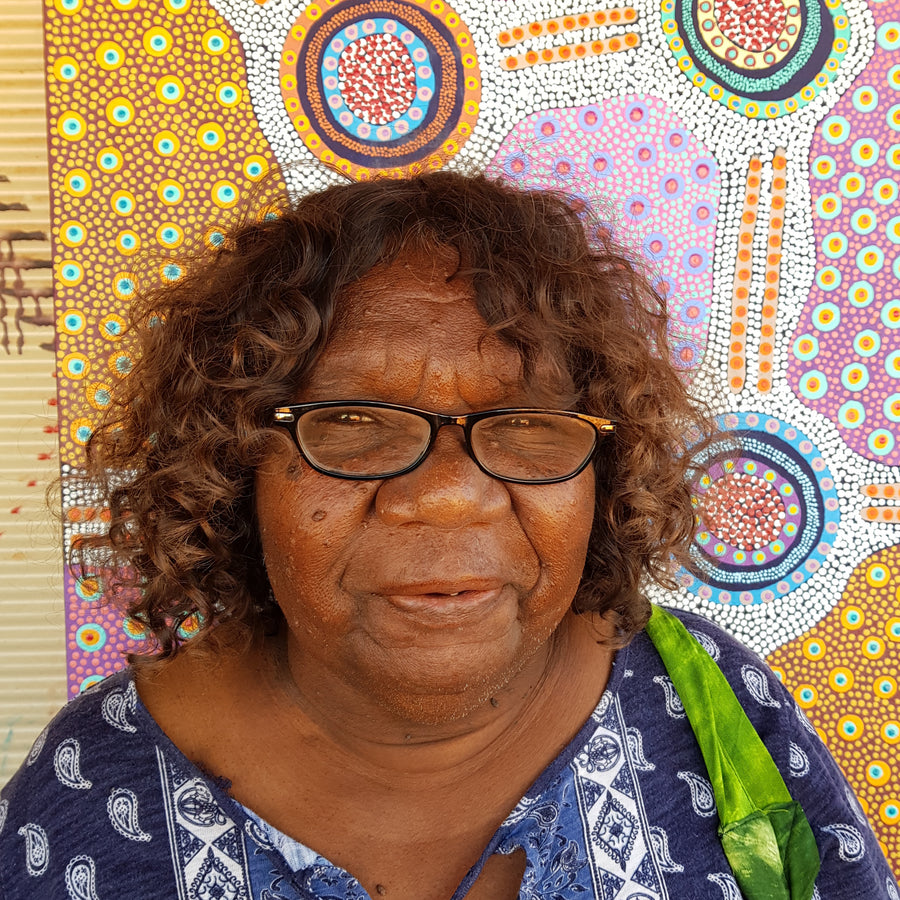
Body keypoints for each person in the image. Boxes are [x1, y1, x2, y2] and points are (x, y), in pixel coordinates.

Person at [0, 172, 896, 900]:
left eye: (528, 423)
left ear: (603, 475)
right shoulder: (87, 794)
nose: (448, 497)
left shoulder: (711, 705)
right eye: (353, 421)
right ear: (234, 470)